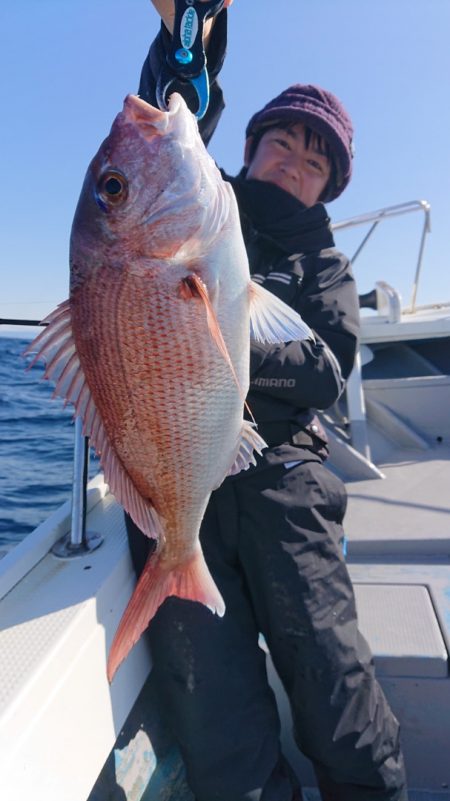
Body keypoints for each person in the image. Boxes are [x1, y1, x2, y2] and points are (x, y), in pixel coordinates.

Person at [125, 3, 409, 800]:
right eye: (280, 140)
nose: (292, 161)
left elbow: (325, 368)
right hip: (186, 489)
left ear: (328, 185)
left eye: (313, 160)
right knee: (221, 732)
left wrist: (208, 335)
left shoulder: (325, 268)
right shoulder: (198, 204)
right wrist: (193, 31)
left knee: (338, 699)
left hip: (287, 484)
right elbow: (174, 113)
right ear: (246, 151)